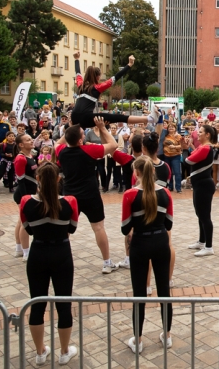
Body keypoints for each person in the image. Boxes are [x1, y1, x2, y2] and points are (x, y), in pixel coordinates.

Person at [20, 163, 79, 365]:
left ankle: (39, 352)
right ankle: (63, 351)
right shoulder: (69, 202)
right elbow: (72, 228)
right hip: (61, 252)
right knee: (64, 303)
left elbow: (27, 229)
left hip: (38, 252)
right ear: (58, 179)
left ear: (37, 178)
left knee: (37, 304)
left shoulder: (26, 202)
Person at [55, 117, 121, 273]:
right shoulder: (89, 150)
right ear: (80, 141)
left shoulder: (61, 151)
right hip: (90, 195)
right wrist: (102, 128)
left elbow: (58, 143)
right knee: (98, 228)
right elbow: (114, 145)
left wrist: (70, 128)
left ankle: (60, 261)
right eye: (82, 134)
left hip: (70, 196)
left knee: (64, 230)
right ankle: (106, 262)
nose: (85, 135)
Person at [122, 157, 174, 352]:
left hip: (140, 243)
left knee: (139, 293)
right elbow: (169, 223)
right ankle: (167, 335)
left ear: (136, 172)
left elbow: (125, 227)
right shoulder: (166, 193)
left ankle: (138, 338)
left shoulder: (129, 195)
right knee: (164, 292)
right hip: (160, 241)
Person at [71, 52, 159, 129]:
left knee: (77, 136)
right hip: (86, 117)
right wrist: (129, 65)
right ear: (97, 77)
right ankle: (149, 119)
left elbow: (77, 73)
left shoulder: (81, 86)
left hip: (74, 117)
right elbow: (115, 78)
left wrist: (76, 59)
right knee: (118, 117)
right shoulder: (97, 87)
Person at [185, 124, 217, 256]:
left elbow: (188, 160)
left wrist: (187, 153)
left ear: (207, 134)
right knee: (200, 214)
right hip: (199, 184)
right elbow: (191, 154)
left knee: (205, 216)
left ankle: (209, 247)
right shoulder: (202, 147)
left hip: (204, 185)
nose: (198, 134)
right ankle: (202, 241)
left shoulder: (206, 147)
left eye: (201, 132)